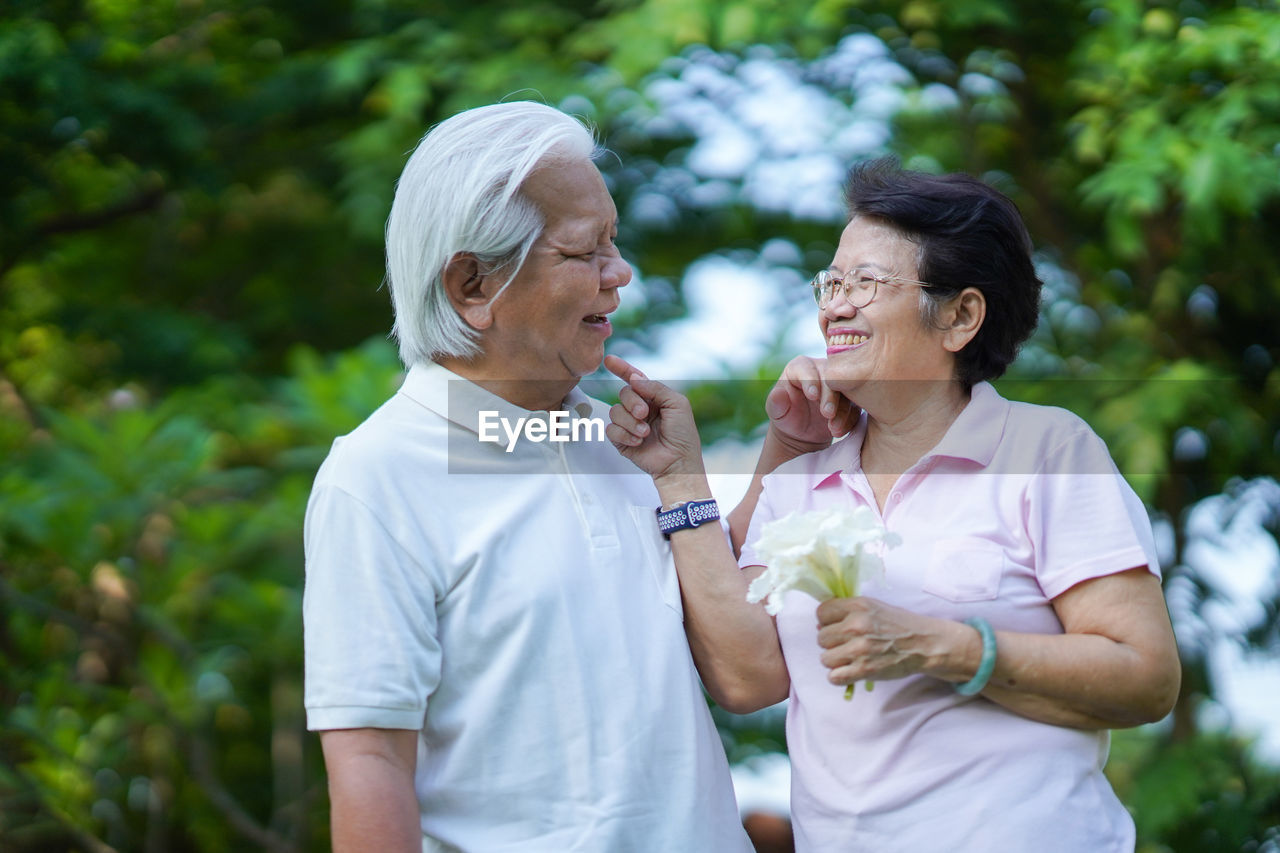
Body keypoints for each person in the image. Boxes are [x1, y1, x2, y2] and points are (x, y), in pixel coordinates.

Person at [606, 158, 1182, 852]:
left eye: (867, 283)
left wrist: (940, 645)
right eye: (833, 281)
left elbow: (1145, 678)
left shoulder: (1048, 448)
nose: (834, 306)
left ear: (961, 316)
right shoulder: (804, 470)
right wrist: (683, 477)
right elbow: (744, 675)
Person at [302, 102, 751, 852]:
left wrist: (727, 473)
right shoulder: (375, 474)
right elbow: (370, 760)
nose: (621, 273)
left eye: (615, 241)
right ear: (473, 285)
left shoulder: (630, 443)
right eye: (585, 253)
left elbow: (746, 676)